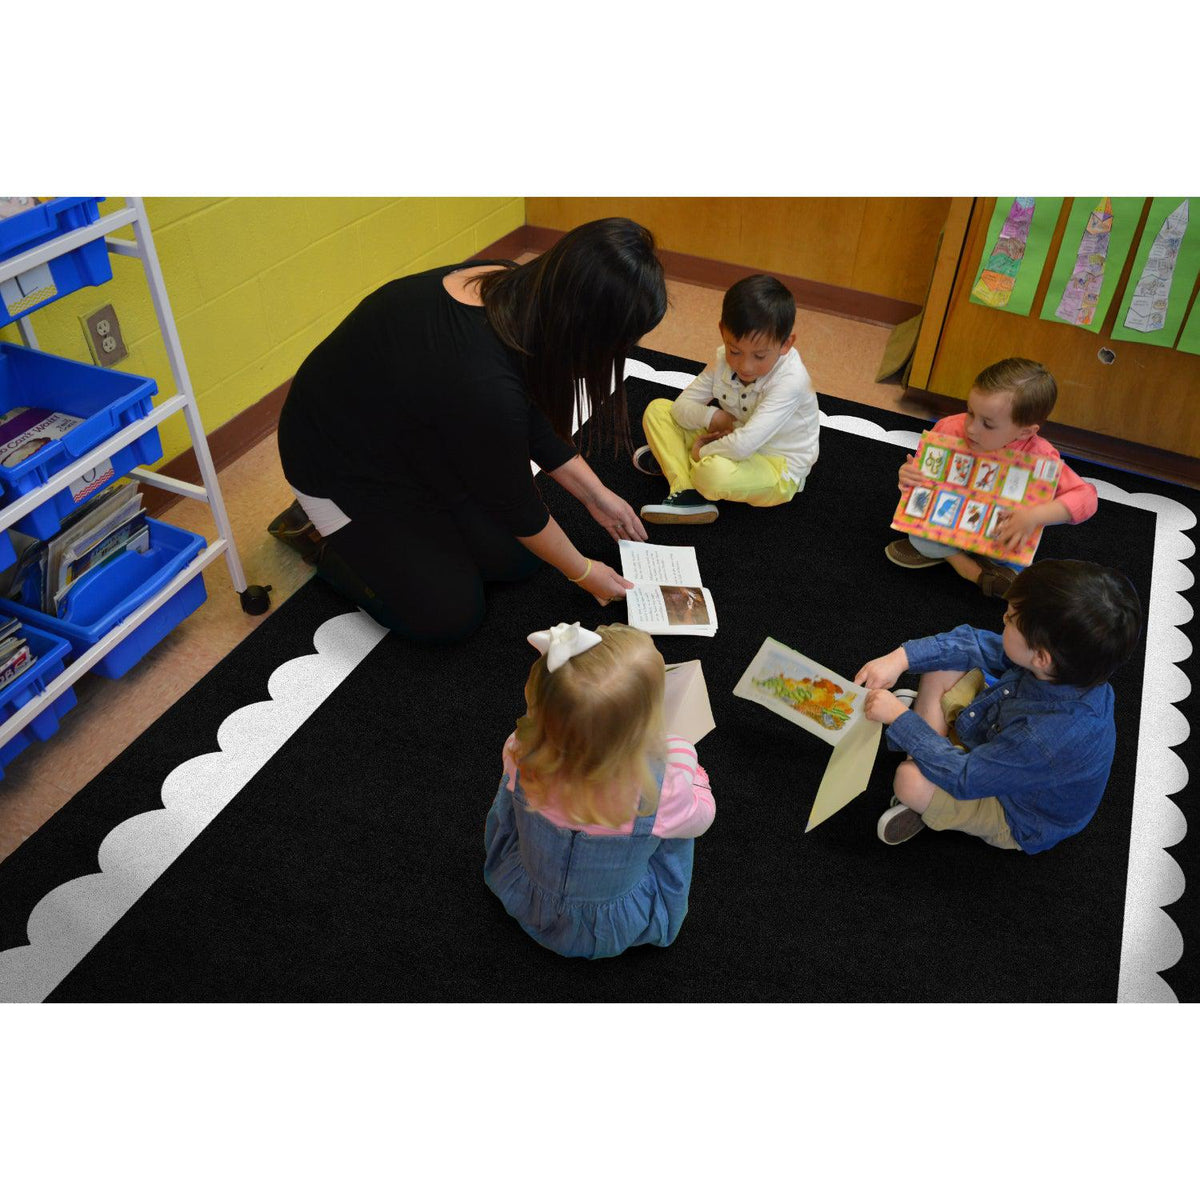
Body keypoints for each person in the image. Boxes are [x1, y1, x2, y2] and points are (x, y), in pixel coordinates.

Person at [272, 218, 668, 641]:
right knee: (449, 615)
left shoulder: (512, 286)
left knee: (519, 560)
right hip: (337, 466)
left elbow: (527, 410)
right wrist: (584, 572)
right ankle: (318, 535)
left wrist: (596, 495)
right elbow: (514, 500)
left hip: (416, 435)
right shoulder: (482, 382)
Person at [853, 559, 1142, 853]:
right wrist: (900, 658)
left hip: (1017, 811)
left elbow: (966, 777)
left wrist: (900, 719)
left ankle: (924, 777)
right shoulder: (1065, 668)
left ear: (1041, 657)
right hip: (1000, 742)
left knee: (908, 781)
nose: (1003, 618)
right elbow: (975, 644)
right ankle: (926, 751)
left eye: (1010, 619)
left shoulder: (1043, 737)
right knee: (945, 663)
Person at [484, 621, 715, 959]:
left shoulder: (519, 750)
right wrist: (684, 755)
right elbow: (702, 817)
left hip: (527, 894)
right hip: (607, 924)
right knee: (676, 829)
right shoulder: (660, 790)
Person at [886, 357, 1098, 598]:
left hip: (997, 533)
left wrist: (1034, 516)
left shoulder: (1040, 457)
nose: (971, 428)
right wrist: (908, 476)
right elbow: (922, 478)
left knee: (1012, 554)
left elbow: (1087, 498)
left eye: (987, 423)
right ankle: (968, 569)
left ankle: (962, 559)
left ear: (1025, 431)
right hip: (948, 519)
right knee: (918, 535)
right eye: (970, 412)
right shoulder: (949, 428)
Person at [634, 274, 820, 524]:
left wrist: (702, 452)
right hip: (732, 436)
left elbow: (744, 446)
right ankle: (687, 489)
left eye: (760, 356)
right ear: (722, 331)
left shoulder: (791, 381)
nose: (745, 366)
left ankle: (680, 465)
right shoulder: (722, 357)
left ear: (786, 344)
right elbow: (681, 407)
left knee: (712, 474)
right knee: (658, 410)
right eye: (735, 351)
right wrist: (714, 417)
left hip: (777, 466)